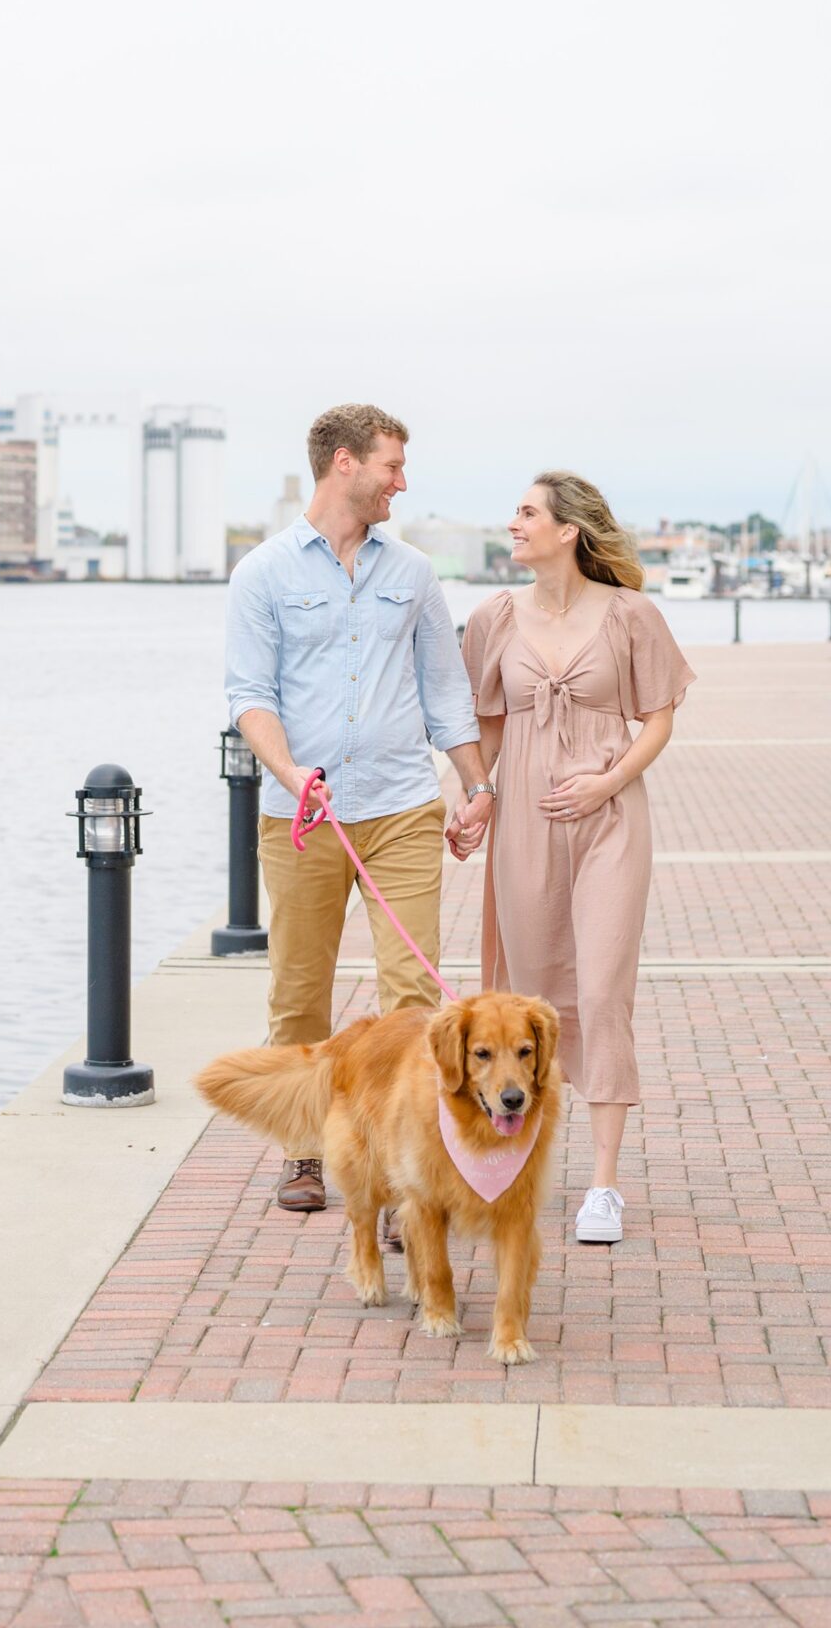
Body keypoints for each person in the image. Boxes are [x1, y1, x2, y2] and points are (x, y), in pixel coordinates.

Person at [225, 403, 496, 1220]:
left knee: (411, 993)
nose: (400, 483)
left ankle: (398, 1166)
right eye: (390, 466)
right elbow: (249, 697)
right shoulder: (262, 575)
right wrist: (290, 771)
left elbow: (445, 691)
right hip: (300, 815)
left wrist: (476, 788)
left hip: (401, 806)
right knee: (298, 991)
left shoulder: (410, 574)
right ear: (344, 463)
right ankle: (304, 1152)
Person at [451, 472, 694, 1247]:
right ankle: (515, 1166)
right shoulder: (492, 618)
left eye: (526, 513)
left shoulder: (629, 615)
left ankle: (603, 1186)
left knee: (599, 988)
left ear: (568, 531)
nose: (513, 523)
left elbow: (657, 719)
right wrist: (476, 796)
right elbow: (484, 725)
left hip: (609, 819)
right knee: (525, 999)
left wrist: (609, 780)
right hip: (522, 819)